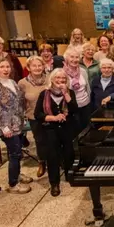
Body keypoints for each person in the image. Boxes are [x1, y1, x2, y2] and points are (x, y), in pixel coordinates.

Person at [0, 58, 32, 194]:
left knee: (18, 151)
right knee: (15, 153)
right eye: (2, 67)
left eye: (7, 67)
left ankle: (17, 175)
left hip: (18, 123)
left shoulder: (12, 82)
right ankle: (13, 184)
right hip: (6, 127)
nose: (6, 69)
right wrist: (3, 127)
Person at [35, 69, 80, 197]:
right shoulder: (44, 94)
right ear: (52, 79)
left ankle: (69, 175)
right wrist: (54, 118)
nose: (60, 81)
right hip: (50, 128)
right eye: (58, 78)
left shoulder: (70, 92)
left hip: (67, 127)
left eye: (63, 79)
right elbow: (37, 114)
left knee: (69, 152)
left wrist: (66, 94)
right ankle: (54, 183)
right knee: (52, 156)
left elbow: (74, 109)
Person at [18, 56, 49, 179]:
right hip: (34, 117)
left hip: (50, 115)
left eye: (39, 65)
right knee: (40, 141)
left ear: (43, 66)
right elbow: (20, 102)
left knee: (53, 139)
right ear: (28, 68)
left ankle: (56, 161)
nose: (37, 68)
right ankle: (42, 162)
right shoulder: (22, 83)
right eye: (34, 66)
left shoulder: (49, 79)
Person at [63, 46, 92, 128]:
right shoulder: (62, 73)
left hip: (85, 105)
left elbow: (87, 87)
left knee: (86, 128)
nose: (75, 60)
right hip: (70, 108)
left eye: (77, 57)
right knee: (74, 130)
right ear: (66, 58)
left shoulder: (83, 71)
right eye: (72, 57)